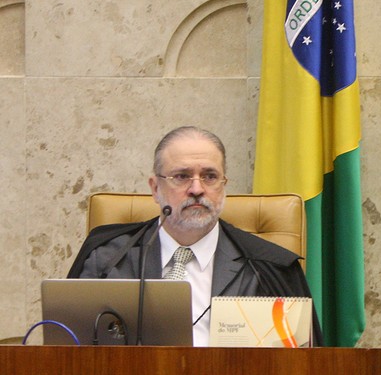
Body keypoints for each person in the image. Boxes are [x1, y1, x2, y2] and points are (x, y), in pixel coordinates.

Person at [67, 126, 321, 345]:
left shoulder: (269, 269)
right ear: (155, 189)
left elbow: (303, 363)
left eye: (210, 176)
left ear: (223, 186)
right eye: (182, 176)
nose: (197, 189)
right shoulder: (107, 259)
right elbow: (70, 353)